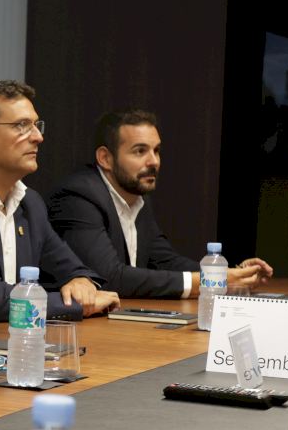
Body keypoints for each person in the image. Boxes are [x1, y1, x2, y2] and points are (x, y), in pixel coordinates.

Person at [0, 80, 119, 320]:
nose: (38, 137)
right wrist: (73, 305)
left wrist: (81, 281)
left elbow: (70, 268)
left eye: (36, 125)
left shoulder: (30, 202)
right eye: (21, 125)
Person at [48, 109, 273, 298]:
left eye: (156, 151)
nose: (154, 161)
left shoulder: (137, 197)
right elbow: (107, 278)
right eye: (140, 151)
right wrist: (207, 281)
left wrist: (229, 274)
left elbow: (164, 261)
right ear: (105, 158)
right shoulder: (79, 196)